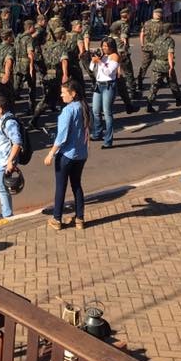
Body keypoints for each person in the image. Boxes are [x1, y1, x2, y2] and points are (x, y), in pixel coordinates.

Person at [43, 79, 90, 230]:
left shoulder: (68, 110)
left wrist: (51, 153)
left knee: (60, 187)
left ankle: (57, 219)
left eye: (64, 93)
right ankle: (79, 218)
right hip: (81, 154)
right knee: (77, 184)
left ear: (73, 94)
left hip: (66, 155)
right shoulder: (84, 107)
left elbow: (61, 136)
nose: (61, 96)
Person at [89, 38, 119, 149]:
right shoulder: (103, 55)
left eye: (106, 46)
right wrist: (94, 60)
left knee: (107, 113)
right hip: (98, 84)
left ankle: (108, 140)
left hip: (108, 86)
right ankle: (97, 133)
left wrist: (100, 62)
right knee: (95, 110)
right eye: (103, 46)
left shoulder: (114, 56)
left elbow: (108, 71)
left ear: (111, 46)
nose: (104, 48)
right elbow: (91, 68)